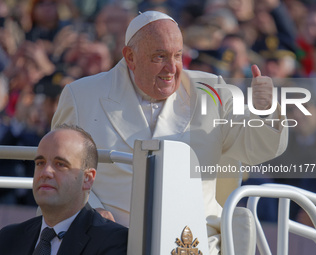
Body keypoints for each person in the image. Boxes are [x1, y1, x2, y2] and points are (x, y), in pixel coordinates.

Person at [51, 11, 288, 254]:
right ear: (130, 57)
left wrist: (264, 111)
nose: (172, 68)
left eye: (177, 56)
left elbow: (258, 149)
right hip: (108, 242)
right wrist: (90, 213)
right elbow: (57, 170)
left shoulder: (212, 91)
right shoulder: (82, 96)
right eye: (160, 56)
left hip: (194, 243)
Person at [0, 124, 128, 255]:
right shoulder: (8, 238)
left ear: (87, 178)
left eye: (60, 164)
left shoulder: (113, 242)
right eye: (40, 163)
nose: (46, 172)